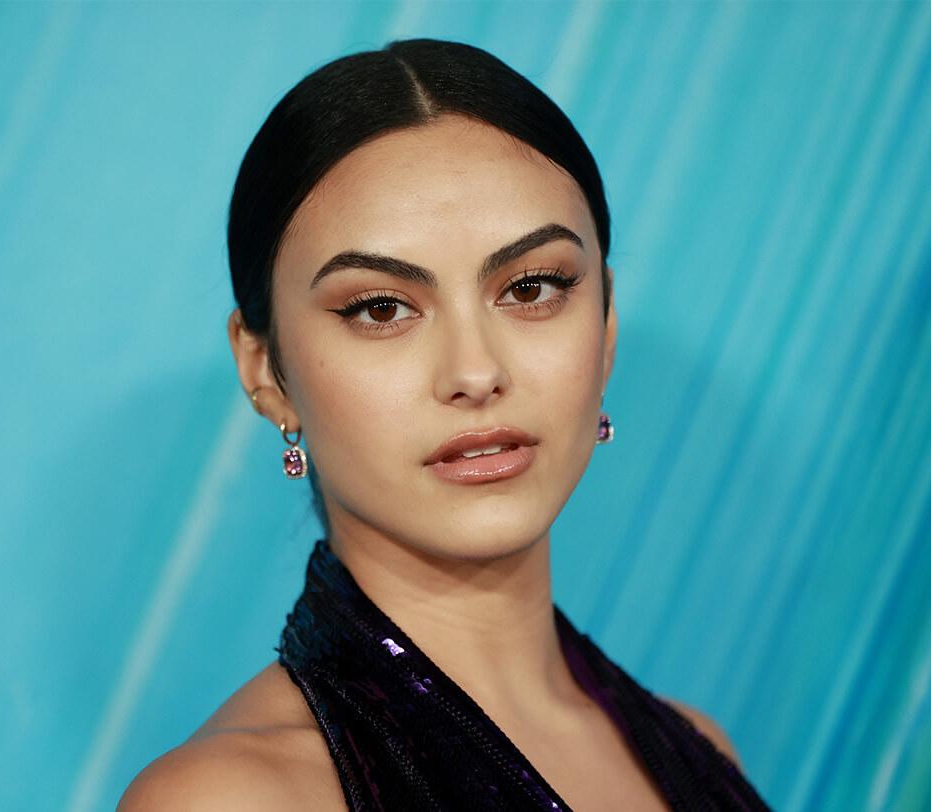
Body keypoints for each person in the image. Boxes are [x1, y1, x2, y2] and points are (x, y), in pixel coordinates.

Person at [119, 38, 771, 810]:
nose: (474, 372)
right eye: (381, 308)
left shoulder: (698, 750)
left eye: (531, 288)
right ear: (265, 369)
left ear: (605, 328)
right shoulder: (230, 800)